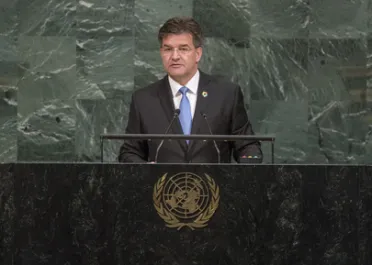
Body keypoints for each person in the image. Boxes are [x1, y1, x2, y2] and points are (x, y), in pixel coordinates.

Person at [118, 16, 262, 163]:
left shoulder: (226, 95)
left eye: (183, 49)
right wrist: (146, 171)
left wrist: (245, 170)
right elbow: (129, 152)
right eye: (168, 49)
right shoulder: (144, 99)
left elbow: (248, 146)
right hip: (163, 185)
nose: (174, 56)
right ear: (161, 52)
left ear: (198, 54)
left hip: (214, 184)